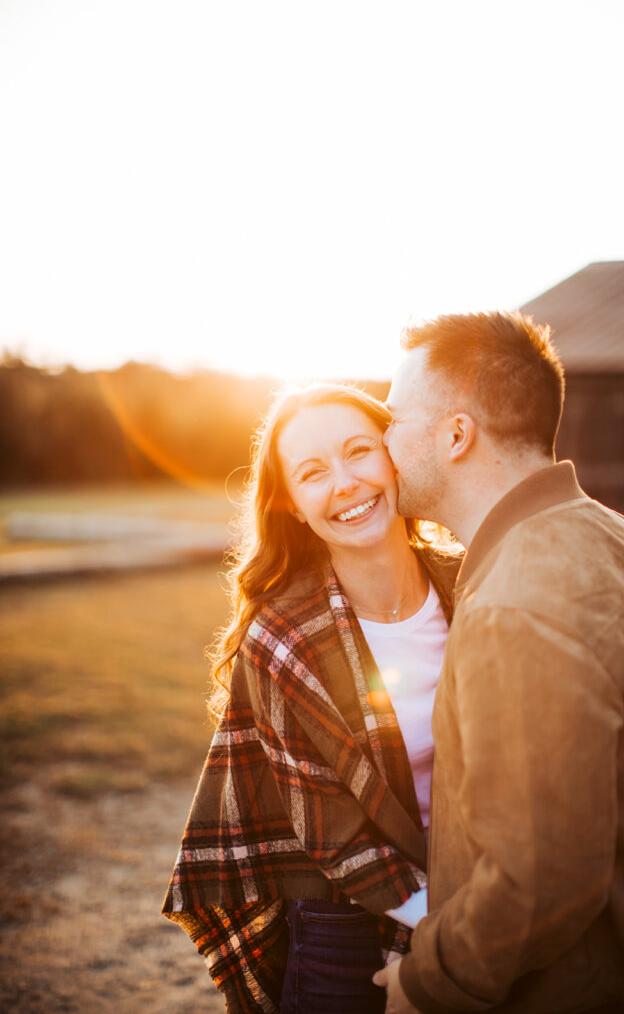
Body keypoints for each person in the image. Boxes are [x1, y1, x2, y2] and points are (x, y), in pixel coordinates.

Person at [372, 311, 624, 1014]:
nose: (382, 442)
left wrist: (428, 983)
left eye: (393, 418)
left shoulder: (517, 605)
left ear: (456, 435)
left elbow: (543, 873)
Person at [162, 383, 462, 1013]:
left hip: (487, 890)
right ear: (293, 505)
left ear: (396, 456)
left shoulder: (475, 580)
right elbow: (331, 830)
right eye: (313, 473)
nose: (346, 483)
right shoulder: (281, 636)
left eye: (360, 451)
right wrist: (447, 932)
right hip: (346, 919)